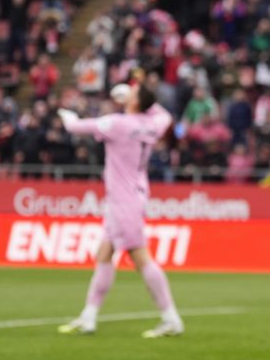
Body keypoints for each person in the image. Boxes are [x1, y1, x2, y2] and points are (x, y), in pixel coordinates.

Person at [55, 83, 184, 339]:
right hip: (129, 196)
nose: (129, 94)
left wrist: (66, 115)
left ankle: (171, 319)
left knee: (140, 257)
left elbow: (75, 127)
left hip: (124, 200)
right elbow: (165, 115)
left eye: (134, 93)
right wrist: (144, 102)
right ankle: (89, 317)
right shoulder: (152, 123)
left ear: (135, 102)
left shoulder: (117, 123)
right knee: (104, 254)